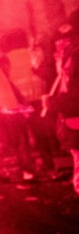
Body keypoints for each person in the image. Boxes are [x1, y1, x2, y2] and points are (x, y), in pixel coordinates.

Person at [44, 10, 79, 197]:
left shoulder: (75, 58)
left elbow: (75, 97)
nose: (59, 47)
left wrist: (55, 103)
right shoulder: (70, 57)